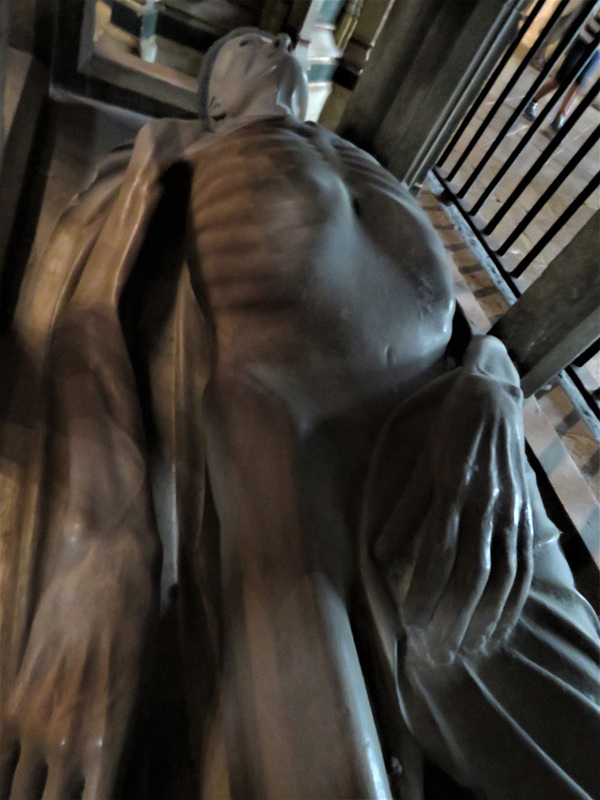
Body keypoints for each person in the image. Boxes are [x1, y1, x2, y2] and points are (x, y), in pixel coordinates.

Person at [0, 27, 598, 800]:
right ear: (214, 100)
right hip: (276, 454)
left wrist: (493, 387)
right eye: (248, 40)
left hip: (456, 455)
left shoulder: (369, 167)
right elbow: (88, 311)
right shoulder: (180, 148)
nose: (280, 38)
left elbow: (464, 339)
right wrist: (102, 533)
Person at [524, 6, 600, 133]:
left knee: (579, 84)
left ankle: (559, 118)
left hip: (597, 50)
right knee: (561, 79)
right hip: (583, 41)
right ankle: (531, 102)